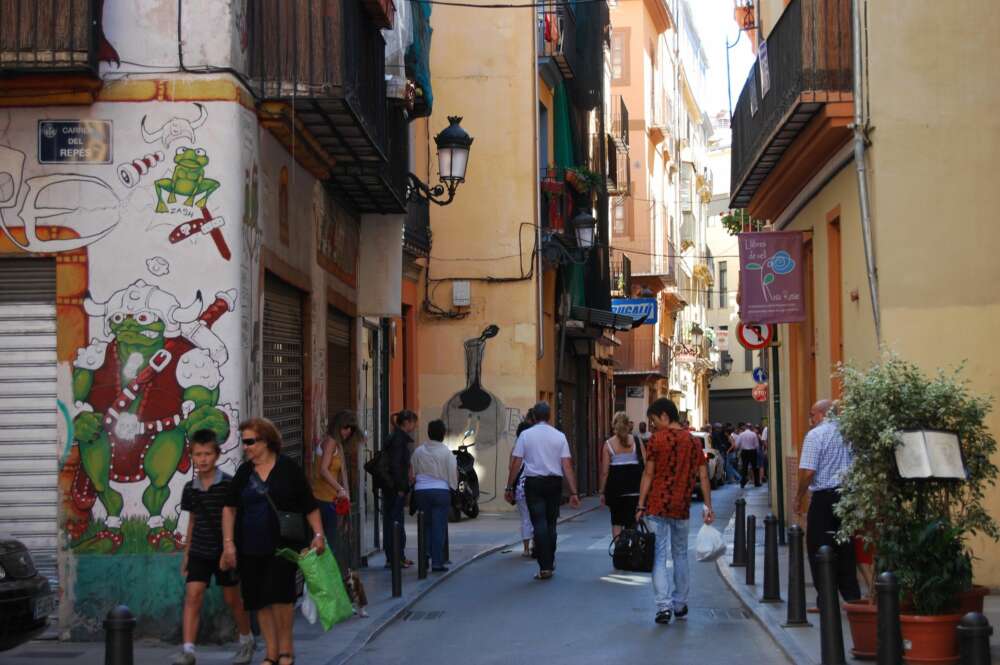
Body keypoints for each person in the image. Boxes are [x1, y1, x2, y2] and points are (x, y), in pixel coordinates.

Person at [222, 418, 324, 665]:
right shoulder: (244, 472)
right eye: (243, 442)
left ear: (266, 441)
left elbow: (309, 506)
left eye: (250, 441)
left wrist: (319, 535)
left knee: (281, 598)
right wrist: (228, 543)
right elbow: (229, 507)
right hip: (250, 547)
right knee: (260, 600)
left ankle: (286, 650)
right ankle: (270, 652)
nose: (245, 447)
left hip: (283, 547)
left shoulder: (288, 469)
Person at [174, 429, 254, 665]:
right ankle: (188, 650)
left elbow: (236, 518)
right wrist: (187, 554)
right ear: (193, 456)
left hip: (224, 552)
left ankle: (246, 640)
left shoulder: (229, 484)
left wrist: (232, 549)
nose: (203, 459)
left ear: (216, 455)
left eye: (207, 453)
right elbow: (192, 521)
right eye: (198, 454)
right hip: (199, 549)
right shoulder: (191, 489)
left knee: (232, 599)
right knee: (193, 595)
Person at [636, 398, 714, 625]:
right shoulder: (692, 442)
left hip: (657, 506)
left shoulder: (656, 441)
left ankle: (663, 607)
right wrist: (708, 506)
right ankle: (679, 604)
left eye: (653, 420)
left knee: (659, 557)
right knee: (680, 555)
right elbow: (703, 476)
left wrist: (640, 504)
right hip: (681, 507)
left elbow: (648, 474)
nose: (653, 426)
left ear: (664, 416)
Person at [504, 402, 581, 580]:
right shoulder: (559, 436)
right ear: (549, 416)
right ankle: (550, 560)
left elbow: (516, 462)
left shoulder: (525, 435)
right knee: (551, 523)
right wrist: (574, 492)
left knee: (538, 523)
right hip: (554, 483)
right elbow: (567, 465)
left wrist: (510, 486)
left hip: (534, 483)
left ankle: (544, 566)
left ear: (534, 417)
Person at [795, 400, 861, 604]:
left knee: (818, 547)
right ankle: (851, 596)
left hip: (824, 498)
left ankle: (826, 598)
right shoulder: (849, 433)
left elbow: (808, 472)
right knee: (845, 548)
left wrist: (799, 497)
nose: (810, 419)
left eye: (812, 415)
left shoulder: (815, 435)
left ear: (822, 414)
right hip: (847, 496)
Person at [410, 419, 458, 572]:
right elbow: (453, 475)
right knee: (439, 527)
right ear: (443, 434)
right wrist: (453, 489)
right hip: (440, 492)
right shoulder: (446, 452)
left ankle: (424, 558)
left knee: (425, 526)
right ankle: (437, 562)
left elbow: (412, 473)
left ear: (428, 433)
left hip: (421, 492)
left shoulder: (418, 451)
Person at [311, 411, 355, 573]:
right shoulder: (331, 442)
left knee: (329, 544)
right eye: (345, 427)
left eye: (350, 428)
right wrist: (340, 489)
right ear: (338, 426)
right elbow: (323, 470)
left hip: (328, 498)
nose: (348, 431)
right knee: (331, 545)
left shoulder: (332, 442)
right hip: (324, 499)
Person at [598, 411, 644, 539]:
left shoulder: (608, 445)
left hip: (615, 491)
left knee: (616, 522)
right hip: (634, 491)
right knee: (632, 523)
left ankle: (619, 552)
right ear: (628, 425)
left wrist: (602, 491)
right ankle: (632, 551)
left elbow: (605, 472)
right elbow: (645, 467)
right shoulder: (637, 441)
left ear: (614, 425)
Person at [382, 410, 417, 568]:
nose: (415, 426)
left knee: (393, 522)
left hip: (391, 487)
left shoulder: (394, 437)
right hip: (395, 488)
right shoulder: (398, 440)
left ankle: (397, 557)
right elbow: (396, 466)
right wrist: (401, 487)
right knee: (395, 523)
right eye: (413, 422)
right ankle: (396, 558)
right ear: (407, 422)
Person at [512, 409, 537, 556]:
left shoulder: (515, 449)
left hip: (520, 489)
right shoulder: (533, 448)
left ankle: (526, 549)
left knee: (525, 518)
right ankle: (535, 545)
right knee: (535, 517)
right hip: (533, 485)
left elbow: (512, 469)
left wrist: (509, 487)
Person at [730, 422, 761, 488]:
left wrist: (738, 449)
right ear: (751, 427)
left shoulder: (741, 434)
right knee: (754, 467)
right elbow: (757, 445)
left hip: (744, 452)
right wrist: (756, 452)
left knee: (744, 467)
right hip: (753, 452)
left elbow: (737, 445)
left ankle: (743, 483)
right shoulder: (754, 434)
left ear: (746, 427)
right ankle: (757, 482)